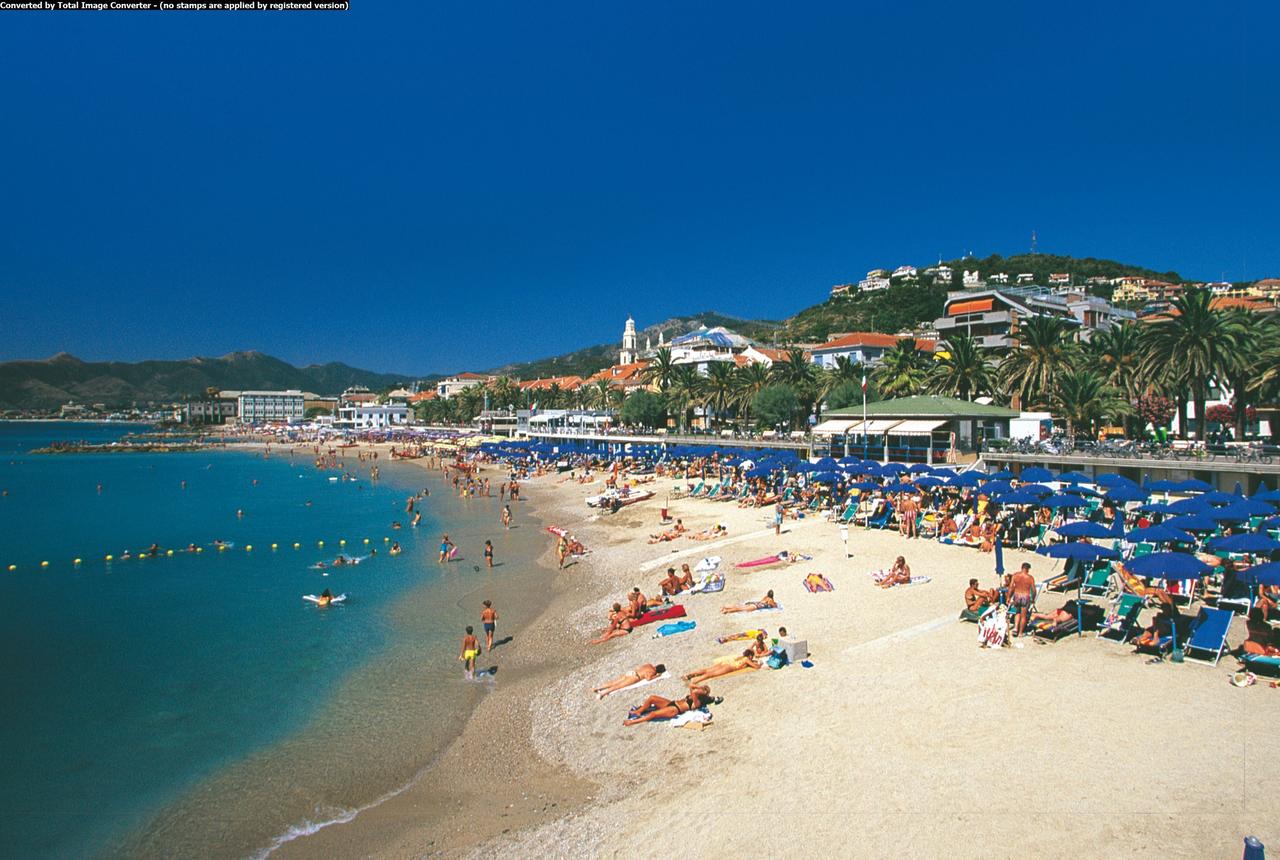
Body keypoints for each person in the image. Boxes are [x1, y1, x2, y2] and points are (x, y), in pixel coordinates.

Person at [622, 683, 717, 725]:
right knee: (652, 698)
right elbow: (691, 685)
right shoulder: (693, 695)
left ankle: (632, 722)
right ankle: (639, 711)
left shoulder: (697, 702)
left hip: (675, 710)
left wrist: (702, 691)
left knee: (653, 714)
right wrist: (701, 687)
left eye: (702, 690)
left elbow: (695, 691)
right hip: (671, 703)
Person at [592, 663, 666, 700]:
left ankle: (598, 687)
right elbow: (648, 678)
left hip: (632, 672)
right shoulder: (653, 671)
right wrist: (657, 676)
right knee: (618, 686)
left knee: (614, 682)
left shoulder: (649, 665)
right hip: (635, 677)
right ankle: (602, 693)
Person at [684, 651, 762, 685]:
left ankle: (689, 674)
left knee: (707, 670)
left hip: (727, 662)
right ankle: (695, 680)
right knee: (711, 674)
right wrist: (760, 664)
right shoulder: (746, 659)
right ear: (750, 656)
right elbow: (756, 667)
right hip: (730, 667)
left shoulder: (741, 657)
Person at [1009, 562, 1035, 637]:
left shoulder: (1015, 575)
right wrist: (1033, 598)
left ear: (1022, 567)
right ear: (1028, 569)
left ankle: (1015, 628)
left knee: (1017, 612)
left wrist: (1008, 597)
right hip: (1025, 596)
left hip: (1017, 595)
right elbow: (1033, 590)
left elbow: (1011, 587)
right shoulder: (1030, 578)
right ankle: (1020, 633)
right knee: (1023, 616)